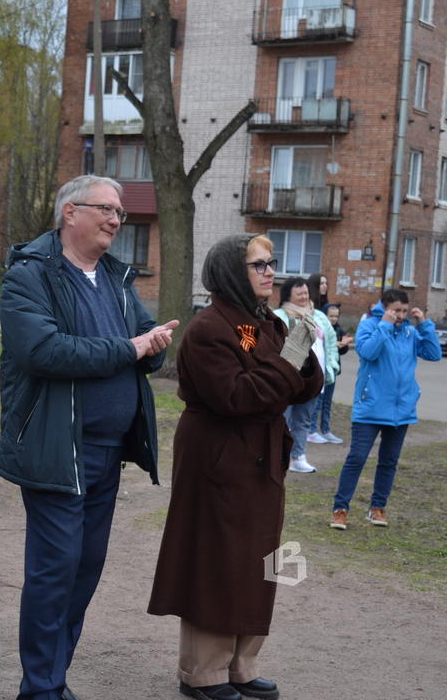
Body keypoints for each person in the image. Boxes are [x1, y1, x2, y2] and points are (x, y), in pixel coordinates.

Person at [0, 175, 178, 700]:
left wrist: (154, 345)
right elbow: (46, 352)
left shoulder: (117, 278)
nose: (117, 220)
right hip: (57, 447)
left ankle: (53, 678)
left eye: (120, 213)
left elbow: (147, 342)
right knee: (55, 572)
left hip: (107, 452)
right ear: (70, 212)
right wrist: (132, 348)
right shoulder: (31, 274)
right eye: (107, 209)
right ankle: (41, 689)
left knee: (85, 570)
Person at [147, 234, 322, 700]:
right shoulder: (210, 327)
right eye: (258, 265)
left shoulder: (260, 322)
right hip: (220, 458)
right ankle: (203, 673)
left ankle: (242, 665)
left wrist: (305, 352)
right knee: (217, 561)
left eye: (271, 263)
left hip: (261, 457)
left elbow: (296, 389)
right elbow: (239, 396)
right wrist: (290, 358)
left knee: (262, 563)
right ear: (231, 271)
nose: (270, 272)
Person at [328, 289, 441, 530]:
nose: (401, 315)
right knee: (357, 458)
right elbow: (368, 352)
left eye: (404, 311)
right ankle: (340, 508)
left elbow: (433, 353)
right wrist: (385, 325)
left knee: (389, 462)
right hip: (370, 406)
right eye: (396, 310)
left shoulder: (410, 331)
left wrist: (425, 324)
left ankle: (377, 508)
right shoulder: (371, 325)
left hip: (401, 410)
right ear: (385, 307)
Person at [273, 277, 337, 472]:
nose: (304, 297)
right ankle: (278, 455)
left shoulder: (319, 316)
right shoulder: (278, 316)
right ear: (288, 295)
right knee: (282, 419)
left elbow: (331, 343)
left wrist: (331, 367)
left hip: (312, 380)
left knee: (304, 420)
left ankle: (299, 455)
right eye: (299, 293)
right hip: (287, 379)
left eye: (306, 293)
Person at [309, 303, 353, 444]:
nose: (334, 319)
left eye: (336, 316)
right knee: (317, 402)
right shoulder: (319, 329)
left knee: (327, 403)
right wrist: (334, 345)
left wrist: (343, 346)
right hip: (321, 372)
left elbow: (340, 352)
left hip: (332, 372)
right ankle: (311, 430)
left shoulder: (339, 330)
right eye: (331, 316)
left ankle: (326, 430)